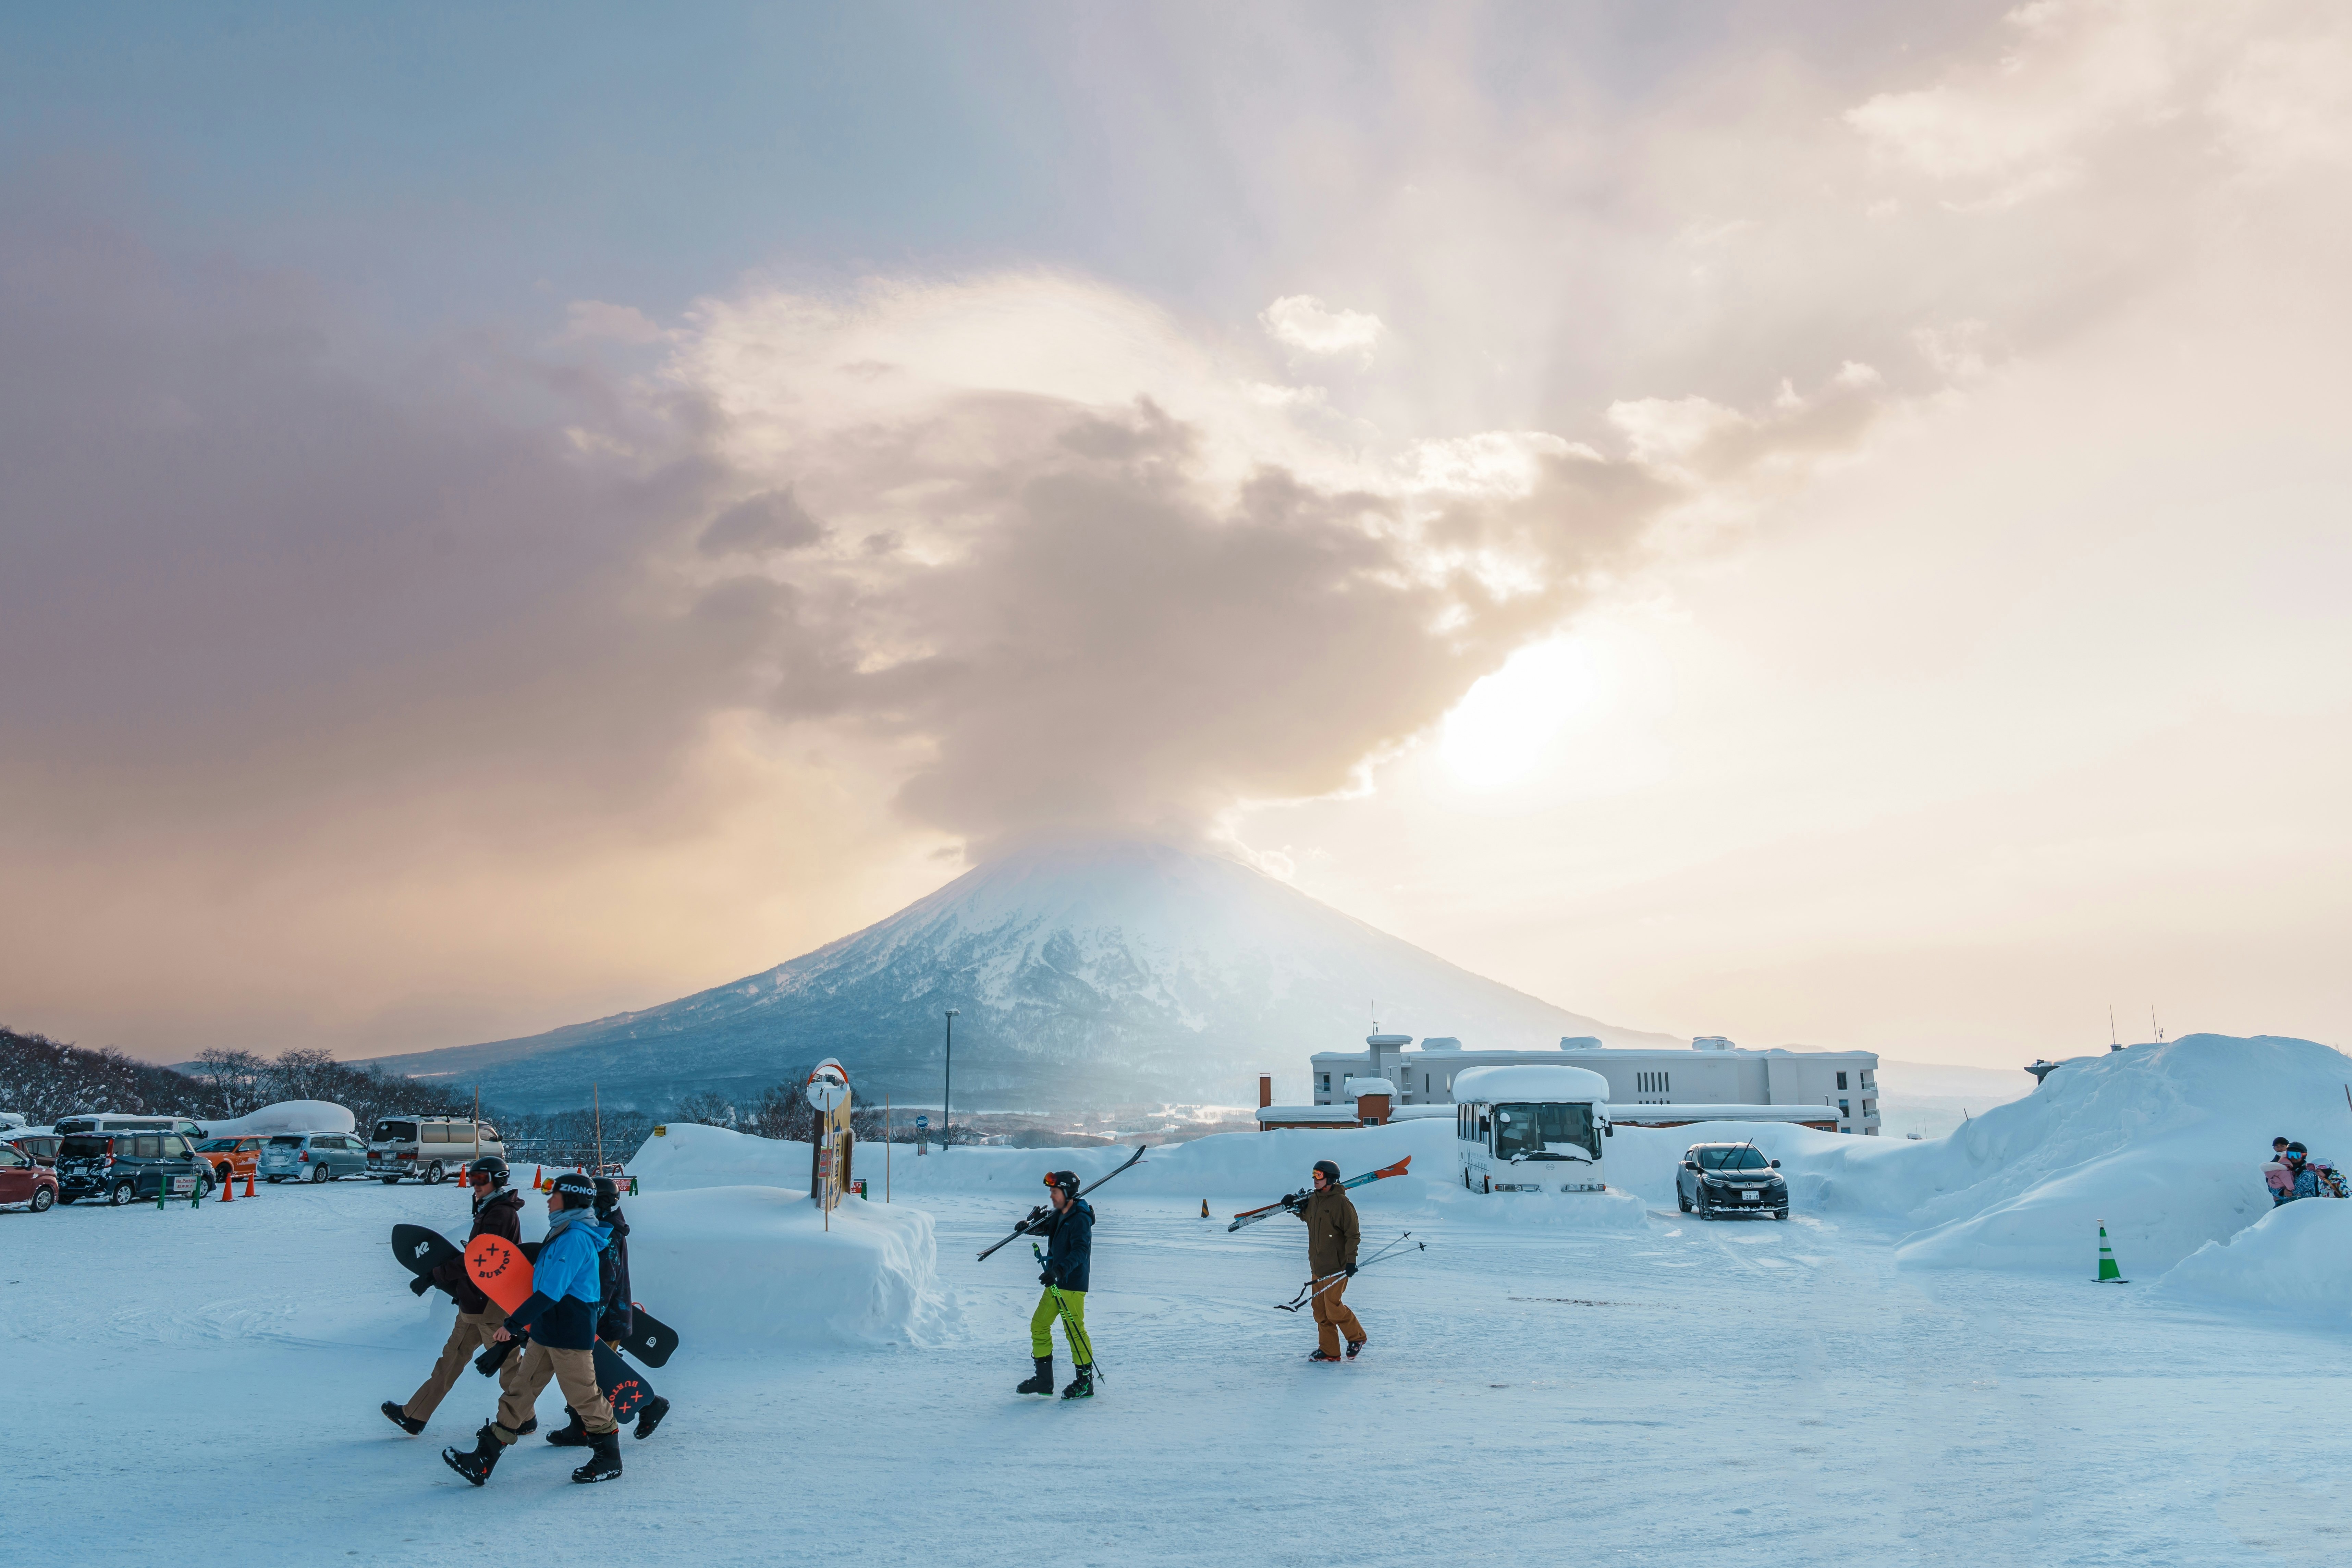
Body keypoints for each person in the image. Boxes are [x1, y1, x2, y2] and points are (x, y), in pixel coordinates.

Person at [441, 1170, 622, 1486]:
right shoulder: (563, 1233)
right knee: (520, 1390)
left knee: (583, 1395)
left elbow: (551, 1292)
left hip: (569, 1331)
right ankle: (484, 1459)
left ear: (573, 1200)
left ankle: (609, 1457)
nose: (549, 1200)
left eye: (556, 1195)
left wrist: (511, 1326)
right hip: (547, 1329)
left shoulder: (576, 1239)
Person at [382, 1156, 534, 1437]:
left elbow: (477, 1260)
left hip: (489, 1305)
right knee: (452, 1359)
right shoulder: (490, 1210)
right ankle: (415, 1415)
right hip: (474, 1302)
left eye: (481, 1180)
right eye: (473, 1180)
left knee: (507, 1364)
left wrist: (434, 1275)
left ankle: (524, 1418)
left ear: (498, 1181)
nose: (474, 1186)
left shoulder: (501, 1214)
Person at [545, 1176, 671, 1446]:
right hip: (603, 1316)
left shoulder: (608, 1233)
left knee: (597, 1377)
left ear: (601, 1203)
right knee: (585, 1375)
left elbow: (605, 1284)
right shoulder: (601, 1227)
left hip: (604, 1318)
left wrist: (588, 1319)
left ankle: (651, 1405)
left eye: (591, 1201)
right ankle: (579, 1425)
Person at [1016, 1169, 1097, 1400]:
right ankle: (1044, 1380)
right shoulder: (1061, 1212)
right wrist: (1028, 1226)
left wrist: (1060, 1271)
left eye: (1055, 1191)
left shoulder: (1080, 1217)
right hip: (1056, 1280)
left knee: (1075, 1332)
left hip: (1071, 1282)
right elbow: (1047, 1228)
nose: (1052, 1195)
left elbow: (1081, 1251)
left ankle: (1085, 1382)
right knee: (1039, 1325)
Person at [1299, 1159, 1365, 1362]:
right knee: (1320, 1310)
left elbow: (1353, 1234)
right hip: (1318, 1266)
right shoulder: (1314, 1200)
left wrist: (1351, 1261)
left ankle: (1357, 1338)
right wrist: (1297, 1208)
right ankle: (1329, 1350)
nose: (1315, 1179)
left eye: (1319, 1175)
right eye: (1314, 1174)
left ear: (1331, 1179)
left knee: (1333, 1308)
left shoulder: (1342, 1203)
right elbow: (1307, 1217)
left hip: (1337, 1267)